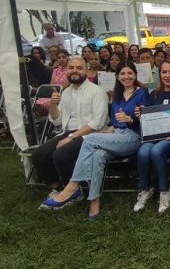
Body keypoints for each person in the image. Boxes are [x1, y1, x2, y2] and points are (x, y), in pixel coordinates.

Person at [41, 61, 147, 219]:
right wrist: (106, 134)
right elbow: (112, 123)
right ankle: (94, 201)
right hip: (115, 134)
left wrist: (130, 119)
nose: (127, 77)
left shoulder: (142, 92)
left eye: (130, 73)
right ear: (117, 76)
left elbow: (146, 121)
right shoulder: (116, 96)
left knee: (89, 139)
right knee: (97, 155)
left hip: (133, 137)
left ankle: (71, 187)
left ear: (135, 74)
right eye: (123, 74)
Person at [34, 57, 109, 208]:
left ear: (86, 71)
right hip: (68, 132)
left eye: (79, 68)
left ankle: (75, 191)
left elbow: (98, 123)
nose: (75, 71)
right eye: (71, 68)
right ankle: (58, 188)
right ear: (67, 70)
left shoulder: (97, 91)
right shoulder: (66, 93)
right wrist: (53, 105)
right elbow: (56, 121)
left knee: (61, 154)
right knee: (38, 154)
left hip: (91, 134)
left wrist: (71, 137)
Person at [133, 59, 170, 213]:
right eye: (164, 72)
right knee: (143, 151)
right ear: (159, 74)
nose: (167, 75)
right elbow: (149, 117)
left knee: (157, 151)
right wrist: (141, 113)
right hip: (156, 135)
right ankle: (145, 189)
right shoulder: (154, 94)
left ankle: (164, 190)